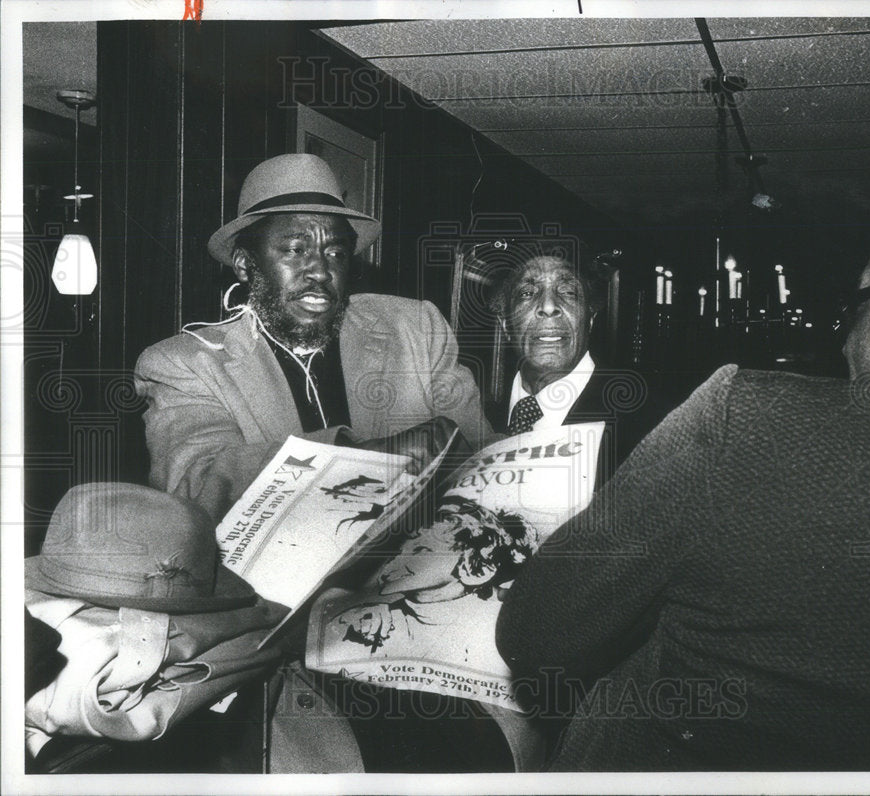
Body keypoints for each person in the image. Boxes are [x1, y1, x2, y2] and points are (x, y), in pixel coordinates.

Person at [496, 186, 870, 771]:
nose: (846, 341)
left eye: (857, 308)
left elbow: (538, 635)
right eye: (527, 294)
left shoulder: (737, 414)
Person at [134, 154, 493, 520]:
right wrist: (363, 456)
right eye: (294, 250)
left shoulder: (417, 328)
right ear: (245, 264)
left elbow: (483, 460)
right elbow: (200, 483)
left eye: (335, 252)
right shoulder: (184, 363)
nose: (320, 271)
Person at [490, 241, 658, 477]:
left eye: (568, 292)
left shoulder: (647, 425)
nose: (548, 307)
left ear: (590, 319)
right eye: (527, 293)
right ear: (506, 325)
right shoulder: (473, 421)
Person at [329, 496, 538, 660]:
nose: (396, 553)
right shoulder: (378, 619)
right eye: (404, 540)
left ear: (477, 571)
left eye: (420, 549)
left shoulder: (500, 635)